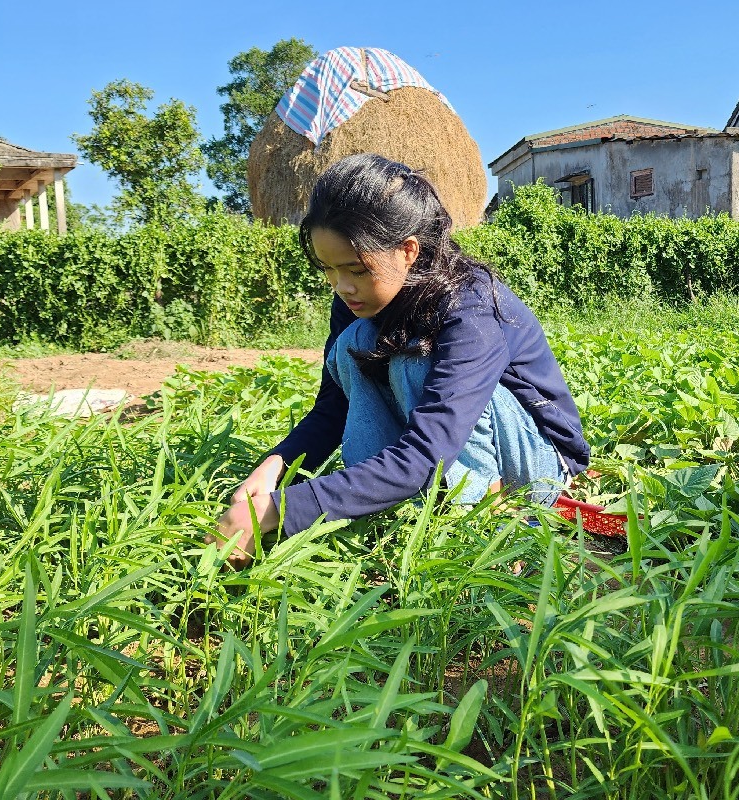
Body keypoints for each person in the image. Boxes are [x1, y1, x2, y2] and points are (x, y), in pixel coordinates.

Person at [213, 154, 589, 565]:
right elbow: (332, 409)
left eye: (356, 269)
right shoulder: (357, 303)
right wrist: (273, 468)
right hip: (436, 452)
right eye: (329, 270)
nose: (341, 286)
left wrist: (282, 509)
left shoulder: (471, 306)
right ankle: (397, 504)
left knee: (411, 359)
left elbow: (427, 452)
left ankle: (487, 519)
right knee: (359, 346)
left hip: (535, 458)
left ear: (407, 250)